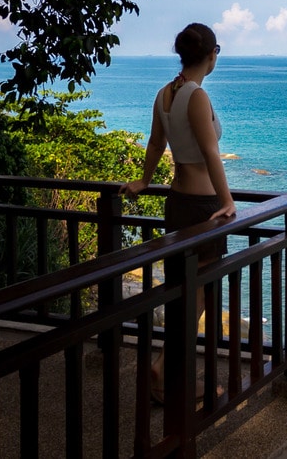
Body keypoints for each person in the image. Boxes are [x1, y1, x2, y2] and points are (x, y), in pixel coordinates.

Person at [120, 22, 235, 403]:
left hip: (177, 202)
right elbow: (210, 152)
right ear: (211, 55)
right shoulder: (197, 96)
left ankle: (169, 373)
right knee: (199, 296)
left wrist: (143, 180)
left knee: (181, 292)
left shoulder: (164, 95)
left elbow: (156, 143)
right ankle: (168, 371)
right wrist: (228, 201)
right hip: (204, 208)